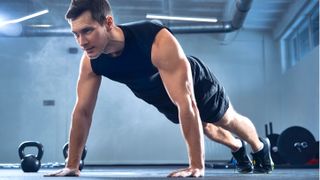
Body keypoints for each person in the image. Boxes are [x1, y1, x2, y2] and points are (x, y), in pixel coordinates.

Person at [45, 0, 274, 178]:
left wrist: (196, 166)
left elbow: (187, 103)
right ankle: (237, 147)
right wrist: (72, 165)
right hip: (159, 95)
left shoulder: (154, 39)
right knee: (206, 129)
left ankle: (259, 147)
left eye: (87, 31)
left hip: (194, 83)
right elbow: (83, 111)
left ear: (108, 23)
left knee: (225, 120)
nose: (81, 41)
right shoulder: (91, 61)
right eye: (75, 34)